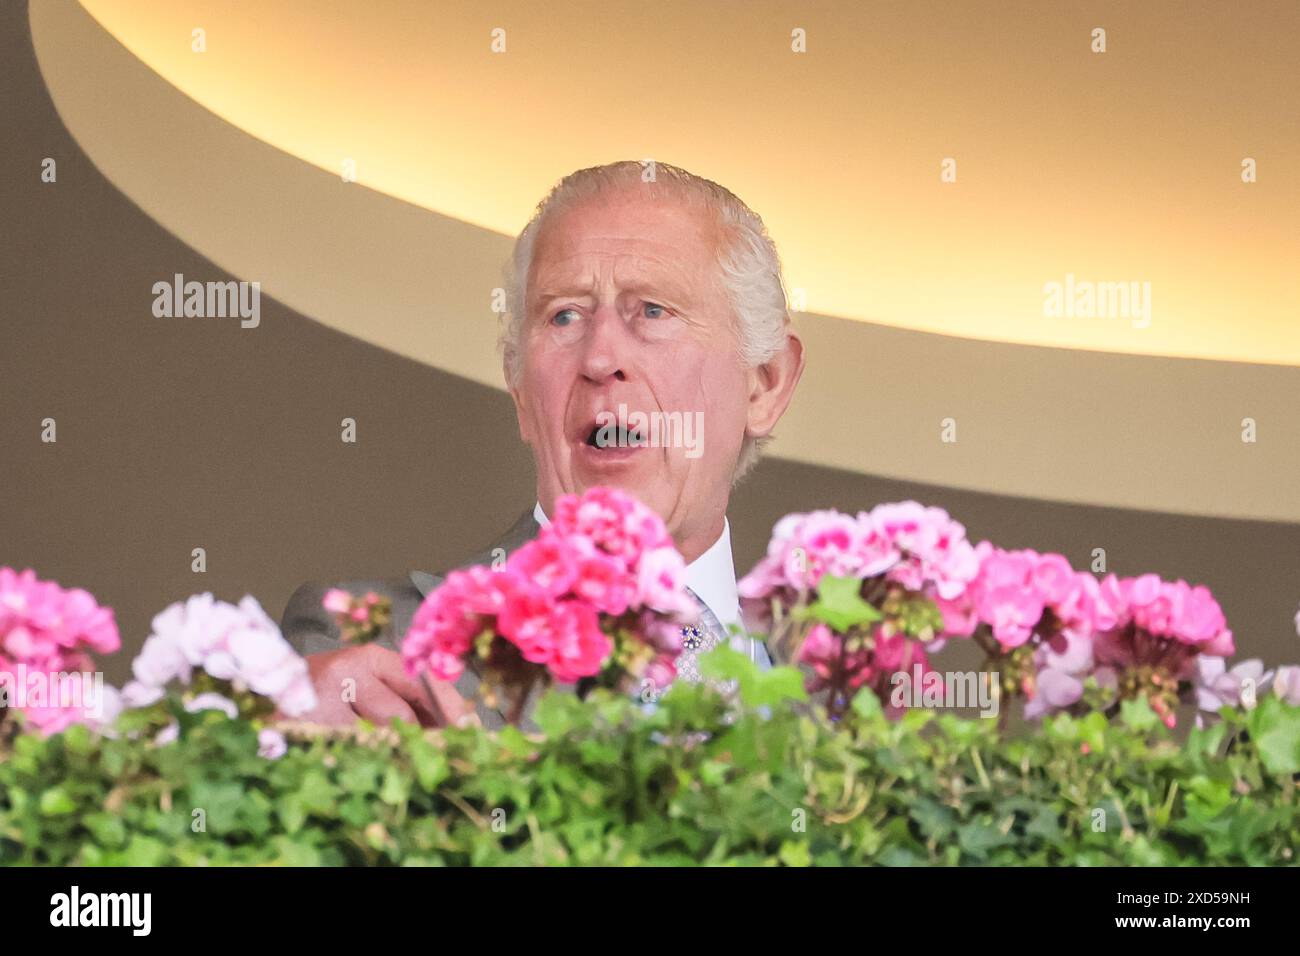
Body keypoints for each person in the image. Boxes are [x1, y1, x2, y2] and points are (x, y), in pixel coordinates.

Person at [280, 160, 805, 729]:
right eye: (564, 316)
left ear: (765, 383)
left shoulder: (850, 736)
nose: (600, 358)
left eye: (652, 311)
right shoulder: (372, 657)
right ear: (521, 390)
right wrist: (263, 732)